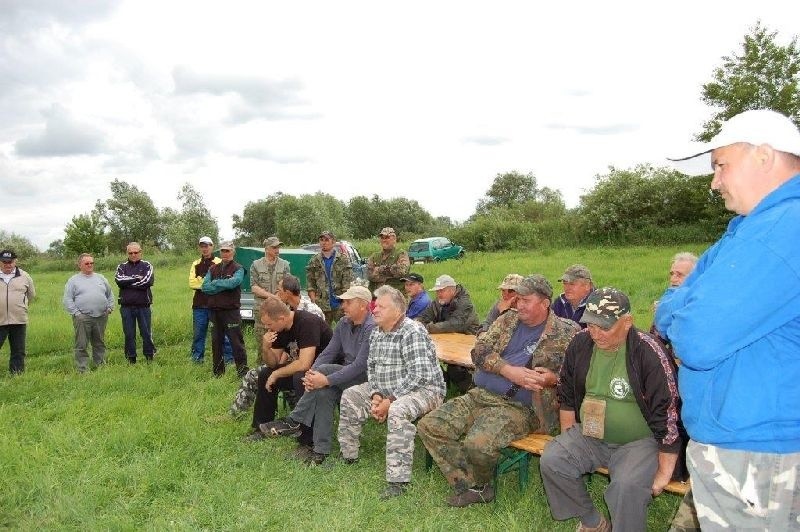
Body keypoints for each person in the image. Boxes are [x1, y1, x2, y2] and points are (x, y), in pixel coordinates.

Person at [656, 109, 800, 530]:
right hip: (741, 440)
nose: (714, 181)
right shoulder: (748, 229)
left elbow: (695, 338)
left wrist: (686, 311)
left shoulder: (783, 231)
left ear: (764, 156)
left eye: (721, 165)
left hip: (760, 451)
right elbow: (667, 307)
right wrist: (685, 307)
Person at [418, 275, 578, 507]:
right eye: (517, 299)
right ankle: (472, 484)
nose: (518, 304)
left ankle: (481, 486)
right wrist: (508, 371)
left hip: (521, 407)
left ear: (545, 303)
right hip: (480, 395)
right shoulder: (507, 321)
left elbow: (579, 375)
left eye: (525, 300)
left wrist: (553, 379)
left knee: (477, 444)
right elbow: (479, 351)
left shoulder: (567, 332)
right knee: (430, 425)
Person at [541, 287, 681, 532]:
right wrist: (567, 435)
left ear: (627, 322)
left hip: (639, 441)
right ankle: (592, 521)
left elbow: (668, 412)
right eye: (590, 325)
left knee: (626, 486)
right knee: (553, 459)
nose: (595, 333)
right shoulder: (581, 342)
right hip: (590, 434)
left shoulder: (648, 351)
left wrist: (664, 472)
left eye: (604, 327)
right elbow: (566, 393)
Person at [337, 285, 446, 500]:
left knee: (398, 410)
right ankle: (348, 455)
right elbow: (373, 368)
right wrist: (377, 395)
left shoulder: (411, 331)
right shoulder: (377, 332)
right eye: (375, 306)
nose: (374, 310)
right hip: (388, 390)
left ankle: (398, 480)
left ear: (398, 311)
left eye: (381, 307)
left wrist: (389, 400)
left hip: (425, 390)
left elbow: (420, 375)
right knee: (351, 395)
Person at [257, 285, 375, 465]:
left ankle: (294, 420)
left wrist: (325, 378)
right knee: (322, 392)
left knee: (325, 371)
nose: (343, 306)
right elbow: (328, 352)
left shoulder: (372, 327)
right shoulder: (343, 323)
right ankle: (320, 450)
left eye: (348, 302)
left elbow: (360, 365)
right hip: (344, 374)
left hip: (366, 378)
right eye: (343, 301)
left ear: (363, 305)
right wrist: (313, 374)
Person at [228, 274, 323, 418]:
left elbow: (304, 360)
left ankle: (297, 419)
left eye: (279, 290)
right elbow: (274, 362)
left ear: (288, 292)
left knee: (293, 375)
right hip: (295, 360)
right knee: (262, 373)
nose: (276, 293)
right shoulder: (283, 316)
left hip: (314, 364)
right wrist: (266, 347)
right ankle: (255, 422)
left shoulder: (309, 315)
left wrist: (280, 370)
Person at [245, 296, 332, 450]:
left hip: (327, 372)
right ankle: (261, 426)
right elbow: (274, 362)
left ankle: (307, 438)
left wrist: (277, 374)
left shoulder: (307, 322)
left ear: (282, 318)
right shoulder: (279, 328)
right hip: (306, 369)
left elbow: (305, 363)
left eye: (269, 324)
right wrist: (265, 347)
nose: (267, 328)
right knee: (265, 373)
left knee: (301, 377)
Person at [201, 240, 248, 377]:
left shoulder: (238, 268)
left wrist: (215, 283)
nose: (225, 253)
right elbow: (205, 287)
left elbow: (234, 283)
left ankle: (243, 372)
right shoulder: (212, 269)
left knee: (236, 343)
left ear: (233, 252)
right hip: (214, 312)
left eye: (227, 250)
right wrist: (222, 285)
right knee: (216, 343)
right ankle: (218, 373)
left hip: (231, 312)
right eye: (223, 251)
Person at [63, 253, 115, 373]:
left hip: (101, 316)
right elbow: (67, 299)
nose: (90, 265)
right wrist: (77, 314)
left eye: (92, 263)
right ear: (80, 265)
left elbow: (110, 294)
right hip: (83, 317)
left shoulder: (101, 278)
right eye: (87, 263)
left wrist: (110, 308)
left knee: (99, 343)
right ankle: (83, 369)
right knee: (81, 344)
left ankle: (100, 364)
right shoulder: (73, 280)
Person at [188, 236, 233, 364]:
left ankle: (229, 359)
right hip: (199, 305)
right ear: (199, 247)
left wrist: (202, 282)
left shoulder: (219, 262)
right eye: (202, 246)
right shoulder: (195, 263)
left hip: (216, 304)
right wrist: (209, 283)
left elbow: (222, 282)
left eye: (207, 246)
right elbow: (191, 283)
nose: (204, 248)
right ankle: (197, 358)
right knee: (198, 334)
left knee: (222, 333)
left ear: (212, 246)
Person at [114, 242, 155, 364]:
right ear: (127, 253)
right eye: (130, 253)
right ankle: (131, 359)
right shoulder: (121, 267)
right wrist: (137, 278)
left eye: (135, 252)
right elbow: (119, 280)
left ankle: (149, 356)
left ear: (140, 252)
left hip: (143, 306)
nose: (133, 255)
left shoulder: (147, 265)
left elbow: (147, 282)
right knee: (129, 334)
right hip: (126, 307)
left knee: (146, 333)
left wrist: (128, 283)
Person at [251, 236, 291, 357]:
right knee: (262, 341)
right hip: (262, 310)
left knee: (281, 340)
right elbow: (254, 287)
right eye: (274, 247)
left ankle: (278, 366)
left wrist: (278, 298)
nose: (277, 250)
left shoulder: (285, 265)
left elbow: (286, 284)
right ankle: (261, 368)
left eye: (278, 247)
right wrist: (271, 297)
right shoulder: (256, 265)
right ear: (267, 248)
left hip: (280, 310)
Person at [306, 230, 353, 325]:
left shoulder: (342, 259)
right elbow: (310, 282)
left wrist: (346, 301)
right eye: (322, 240)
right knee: (322, 333)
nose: (324, 242)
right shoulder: (314, 260)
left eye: (327, 240)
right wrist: (313, 300)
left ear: (333, 241)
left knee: (345, 330)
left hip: (339, 303)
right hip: (321, 305)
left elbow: (347, 282)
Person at [0, 249, 35, 374]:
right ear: (0, 262)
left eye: (10, 262)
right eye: (4, 262)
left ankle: (17, 374)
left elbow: (31, 295)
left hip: (18, 319)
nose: (7, 264)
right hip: (0, 320)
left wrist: (21, 307)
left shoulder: (25, 276)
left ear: (15, 261)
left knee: (18, 350)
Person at [415, 274, 480, 334]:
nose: (439, 294)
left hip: (468, 338)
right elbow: (424, 317)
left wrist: (428, 328)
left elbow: (455, 325)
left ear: (452, 290)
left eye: (442, 291)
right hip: (447, 338)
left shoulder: (464, 302)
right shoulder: (438, 302)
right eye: (437, 291)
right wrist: (416, 323)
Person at [366, 227, 410, 293]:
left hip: (395, 296)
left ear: (394, 239)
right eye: (382, 238)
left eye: (387, 237)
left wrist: (379, 270)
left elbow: (402, 271)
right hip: (376, 297)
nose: (384, 240)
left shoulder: (401, 254)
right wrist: (391, 271)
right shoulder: (374, 256)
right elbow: (369, 275)